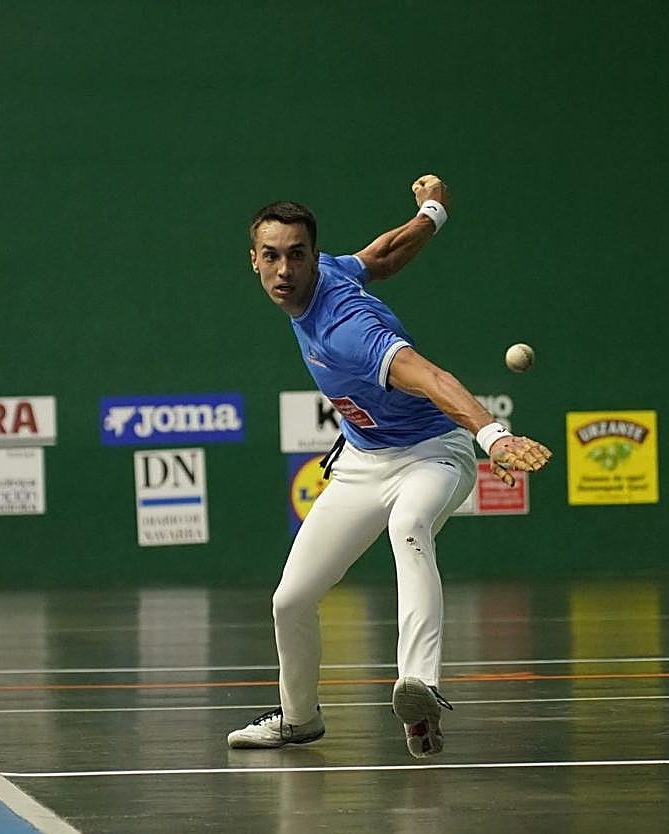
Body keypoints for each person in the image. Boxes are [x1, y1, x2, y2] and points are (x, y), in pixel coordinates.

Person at [227, 175, 552, 757]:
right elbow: (382, 255)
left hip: (434, 452)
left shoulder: (348, 330)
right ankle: (299, 719)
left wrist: (494, 437)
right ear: (253, 260)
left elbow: (432, 379)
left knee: (410, 527)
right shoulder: (328, 271)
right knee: (290, 600)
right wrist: (433, 212)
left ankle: (419, 686)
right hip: (363, 460)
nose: (284, 270)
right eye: (272, 256)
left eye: (295, 257)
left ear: (310, 257)